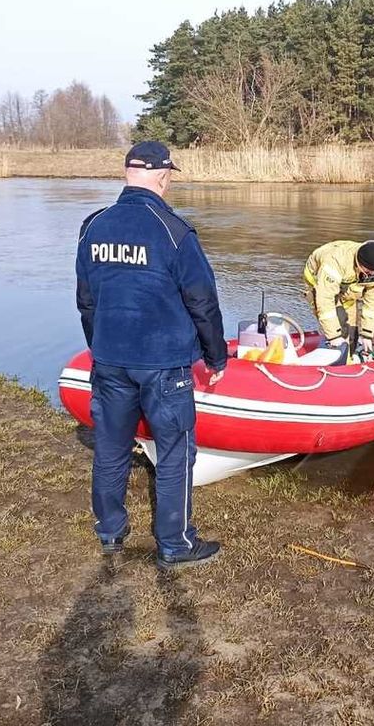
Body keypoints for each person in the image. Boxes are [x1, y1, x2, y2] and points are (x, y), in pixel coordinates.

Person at [75, 140, 227, 570]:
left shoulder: (93, 227)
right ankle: (175, 543)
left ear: (127, 173)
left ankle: (110, 530)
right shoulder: (174, 231)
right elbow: (202, 301)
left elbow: (86, 299)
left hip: (109, 358)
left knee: (110, 447)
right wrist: (216, 358)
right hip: (162, 363)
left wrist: (98, 344)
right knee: (176, 450)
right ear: (163, 175)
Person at [302, 240, 374, 357]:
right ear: (358, 262)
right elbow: (325, 299)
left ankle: (349, 358)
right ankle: (333, 356)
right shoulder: (335, 262)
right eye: (367, 271)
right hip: (320, 283)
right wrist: (334, 336)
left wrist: (367, 334)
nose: (371, 274)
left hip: (348, 290)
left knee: (352, 334)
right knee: (340, 327)